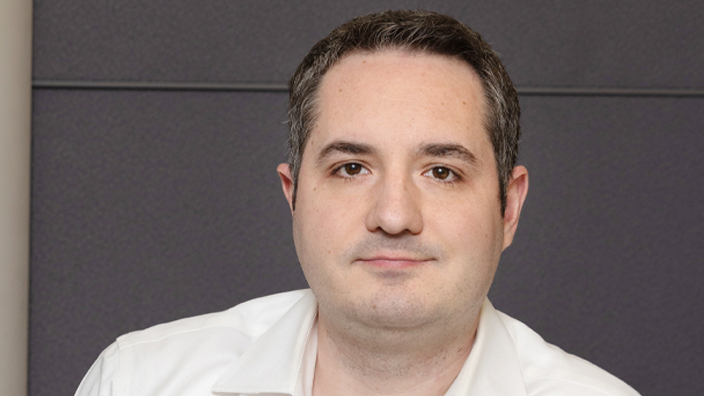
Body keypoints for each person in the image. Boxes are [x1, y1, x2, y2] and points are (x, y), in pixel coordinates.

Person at [75, 10, 640, 396]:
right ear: (292, 196)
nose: (394, 216)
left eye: (442, 171)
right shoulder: (139, 381)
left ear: (508, 207)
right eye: (351, 168)